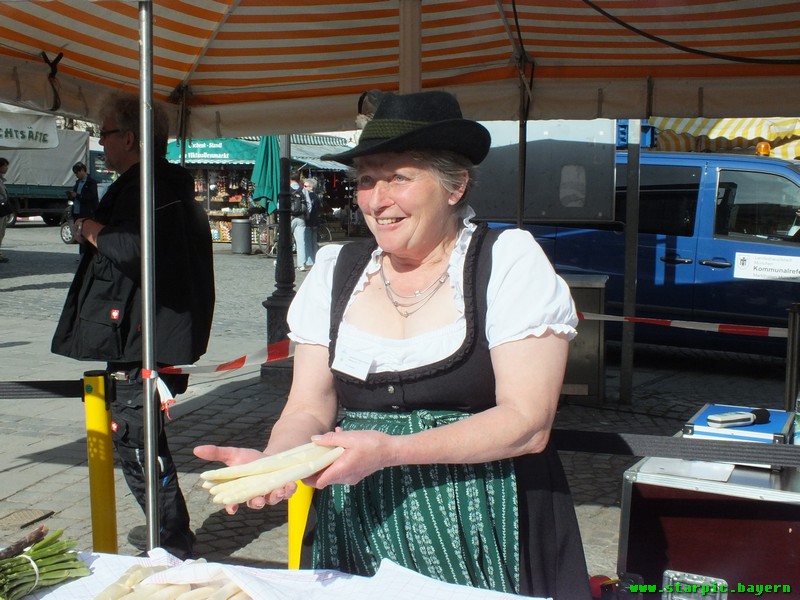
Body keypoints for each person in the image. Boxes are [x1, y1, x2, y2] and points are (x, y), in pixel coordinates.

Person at [194, 90, 590, 598]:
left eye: (399, 177)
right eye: (366, 180)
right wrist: (274, 463)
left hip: (482, 519)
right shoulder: (337, 271)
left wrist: (392, 451)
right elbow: (308, 408)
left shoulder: (508, 261)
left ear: (455, 186)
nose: (378, 200)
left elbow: (526, 424)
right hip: (357, 522)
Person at [51, 92, 215, 560]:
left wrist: (86, 227)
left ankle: (171, 543)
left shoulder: (148, 186)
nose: (100, 144)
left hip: (144, 340)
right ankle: (169, 533)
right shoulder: (163, 183)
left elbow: (130, 249)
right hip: (153, 333)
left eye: (103, 134)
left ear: (128, 136)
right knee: (141, 437)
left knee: (136, 441)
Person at [68, 161, 100, 256]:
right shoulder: (77, 183)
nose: (76, 175)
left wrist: (77, 195)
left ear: (82, 170)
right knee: (78, 234)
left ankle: (88, 254)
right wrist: (71, 195)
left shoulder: (91, 182)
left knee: (87, 234)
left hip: (87, 212)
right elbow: (75, 195)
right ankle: (82, 254)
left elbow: (90, 196)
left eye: (77, 173)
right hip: (77, 211)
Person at [289, 172, 310, 271]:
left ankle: (282, 261)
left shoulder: (286, 189)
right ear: (298, 179)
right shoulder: (303, 190)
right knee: (301, 242)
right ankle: (301, 264)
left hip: (289, 218)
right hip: (301, 218)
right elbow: (309, 205)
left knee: (285, 240)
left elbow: (279, 205)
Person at [302, 177, 322, 268]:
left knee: (307, 242)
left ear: (310, 187)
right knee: (314, 242)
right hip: (315, 221)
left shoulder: (308, 196)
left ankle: (309, 261)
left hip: (309, 221)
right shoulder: (316, 196)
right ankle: (315, 259)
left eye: (305, 186)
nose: (304, 187)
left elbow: (309, 208)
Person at [0, 157, 8, 263]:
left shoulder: (1, 179)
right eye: (5, 166)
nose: (6, 168)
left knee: (1, 232)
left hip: (3, 209)